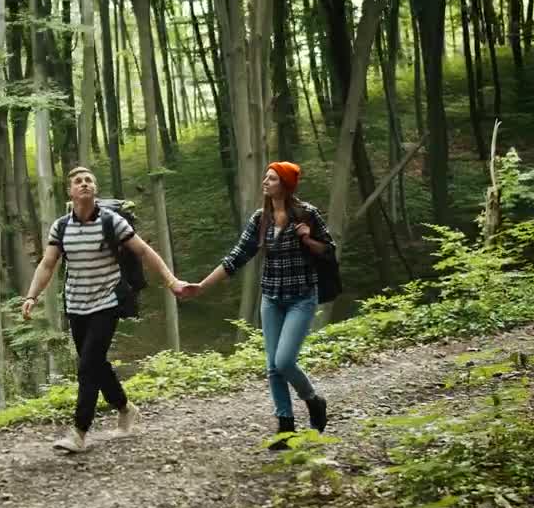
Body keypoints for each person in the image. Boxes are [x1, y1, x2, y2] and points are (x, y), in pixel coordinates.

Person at [22, 166, 188, 453]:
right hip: (75, 305)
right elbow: (48, 264)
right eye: (78, 181)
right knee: (96, 365)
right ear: (70, 191)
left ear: (94, 189)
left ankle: (79, 431)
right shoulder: (61, 227)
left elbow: (144, 252)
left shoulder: (112, 222)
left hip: (106, 303)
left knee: (87, 367)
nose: (84, 184)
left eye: (89, 180)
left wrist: (171, 280)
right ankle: (125, 408)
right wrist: (32, 296)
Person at [179, 161, 333, 450]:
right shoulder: (259, 219)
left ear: (285, 185)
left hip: (301, 298)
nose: (265, 181)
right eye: (266, 177)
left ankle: (313, 400)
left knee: (284, 361)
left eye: (272, 178)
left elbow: (328, 250)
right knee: (273, 367)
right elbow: (236, 257)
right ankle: (286, 429)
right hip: (271, 299)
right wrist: (201, 286)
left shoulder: (307, 214)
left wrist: (307, 239)